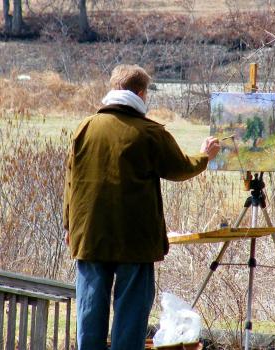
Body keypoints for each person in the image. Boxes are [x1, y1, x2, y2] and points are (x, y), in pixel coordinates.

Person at [62, 64, 220, 350]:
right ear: (140, 93)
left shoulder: (84, 128)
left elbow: (70, 183)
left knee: (89, 308)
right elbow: (180, 168)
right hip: (134, 239)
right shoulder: (148, 132)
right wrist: (204, 155)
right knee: (131, 311)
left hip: (89, 234)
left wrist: (68, 226)